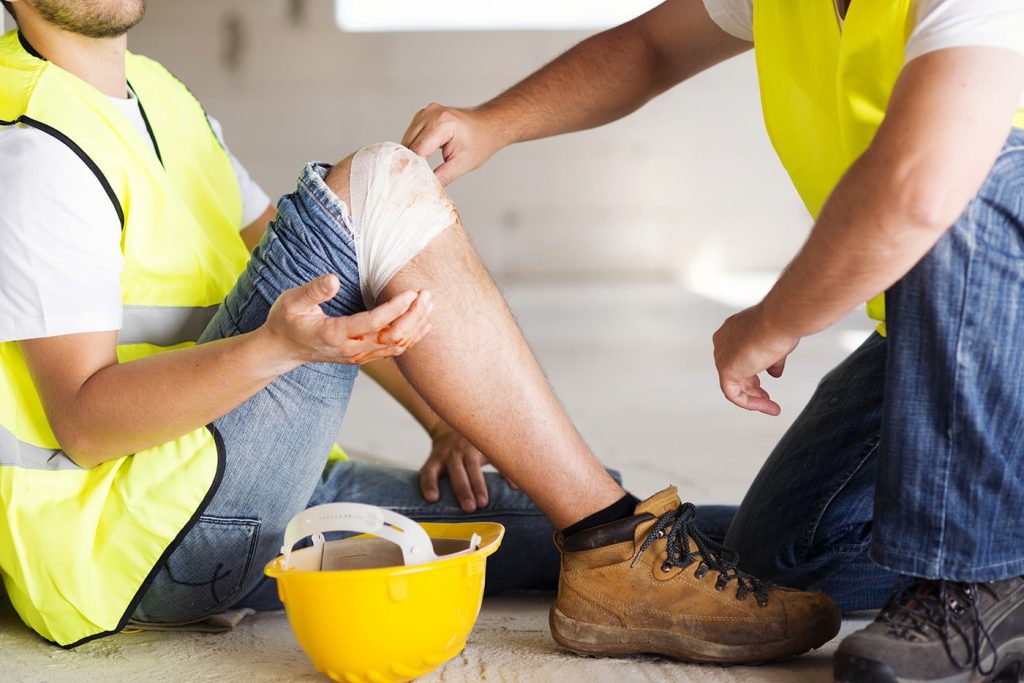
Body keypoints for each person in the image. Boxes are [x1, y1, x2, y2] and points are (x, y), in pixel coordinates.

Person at [0, 0, 840, 666]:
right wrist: (273, 350)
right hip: (142, 544)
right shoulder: (34, 142)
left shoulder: (158, 97)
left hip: (243, 493)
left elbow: (304, 259)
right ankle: (614, 538)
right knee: (377, 180)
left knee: (667, 531)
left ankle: (928, 580)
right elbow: (83, 418)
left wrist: (443, 419)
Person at [403, 0, 1024, 680]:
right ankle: (993, 542)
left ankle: (976, 576)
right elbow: (651, 47)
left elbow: (922, 189)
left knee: (970, 163)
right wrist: (492, 123)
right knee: (778, 562)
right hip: (937, 329)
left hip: (1004, 312)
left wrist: (777, 317)